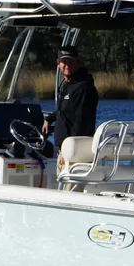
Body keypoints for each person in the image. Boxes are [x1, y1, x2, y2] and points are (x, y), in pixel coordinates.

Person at [42, 46, 99, 181]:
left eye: (71, 61)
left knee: (69, 191)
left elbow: (81, 120)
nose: (67, 65)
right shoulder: (68, 84)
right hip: (66, 150)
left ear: (77, 62)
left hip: (75, 153)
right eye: (64, 62)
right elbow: (65, 109)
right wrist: (49, 119)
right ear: (58, 64)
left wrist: (68, 152)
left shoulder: (83, 87)